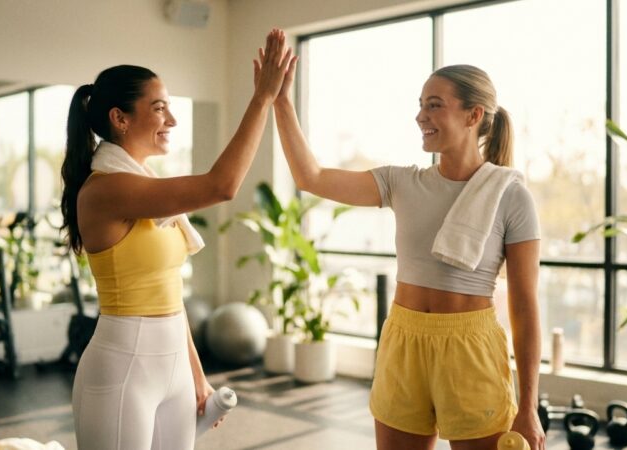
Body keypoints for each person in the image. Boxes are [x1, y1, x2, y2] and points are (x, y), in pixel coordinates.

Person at [266, 54, 545, 450]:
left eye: (434, 105)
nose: (420, 116)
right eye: (420, 105)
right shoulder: (401, 182)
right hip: (403, 339)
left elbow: (524, 304)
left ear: (473, 115)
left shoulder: (511, 195)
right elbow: (310, 177)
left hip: (470, 349)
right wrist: (280, 100)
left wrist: (529, 405)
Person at [61, 30, 292, 450]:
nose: (172, 120)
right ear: (120, 118)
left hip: (174, 371)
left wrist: (197, 374)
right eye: (160, 108)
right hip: (120, 370)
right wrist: (262, 98)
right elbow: (222, 186)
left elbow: (170, 296)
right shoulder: (106, 190)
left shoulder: (147, 190)